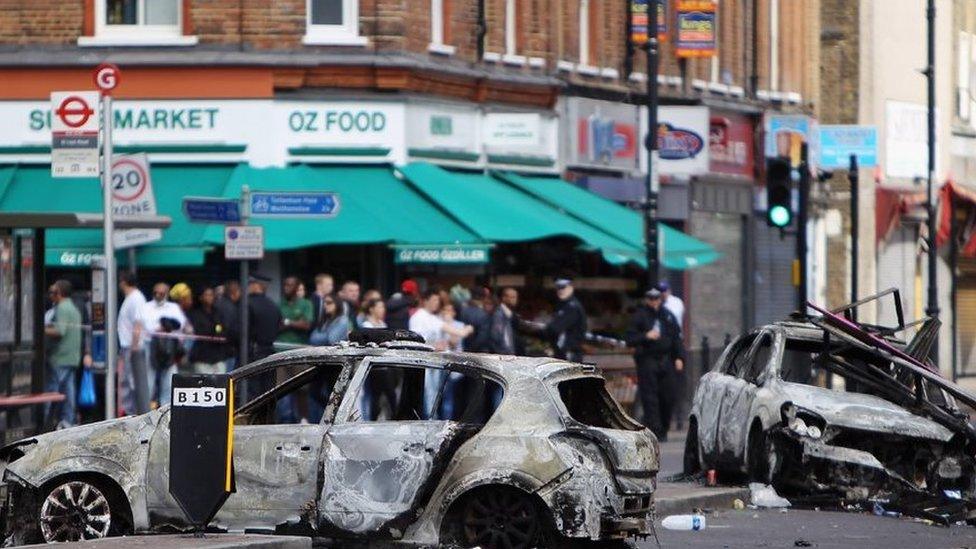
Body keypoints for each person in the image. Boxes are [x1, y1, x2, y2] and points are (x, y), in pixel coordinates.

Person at [626, 287, 685, 442]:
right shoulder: (640, 316)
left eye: (656, 298)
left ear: (660, 299)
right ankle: (655, 430)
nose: (653, 301)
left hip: (666, 360)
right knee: (650, 398)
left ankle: (664, 427)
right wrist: (645, 336)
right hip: (648, 359)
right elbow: (630, 338)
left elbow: (676, 338)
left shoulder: (668, 316)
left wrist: (679, 357)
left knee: (668, 396)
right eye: (650, 298)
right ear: (647, 299)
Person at [44, 280, 84, 429]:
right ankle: (67, 421)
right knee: (68, 392)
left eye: (52, 292)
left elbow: (60, 331)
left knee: (51, 391)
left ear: (59, 293)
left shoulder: (62, 308)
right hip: (72, 357)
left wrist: (38, 329)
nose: (50, 295)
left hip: (59, 357)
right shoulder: (73, 308)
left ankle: (44, 421)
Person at [141, 282, 187, 407]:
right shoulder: (146, 307)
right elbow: (147, 326)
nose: (158, 295)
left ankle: (166, 410)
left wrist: (168, 326)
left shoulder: (173, 308)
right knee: (149, 380)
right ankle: (147, 410)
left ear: (166, 293)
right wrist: (161, 327)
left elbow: (180, 324)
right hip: (151, 347)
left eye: (161, 293)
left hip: (169, 348)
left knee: (169, 380)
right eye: (155, 292)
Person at [244, 273, 283, 400]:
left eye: (250, 284)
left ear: (256, 286)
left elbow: (240, 331)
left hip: (252, 354)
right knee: (268, 393)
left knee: (252, 394)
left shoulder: (246, 304)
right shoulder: (273, 305)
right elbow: (279, 326)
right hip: (270, 353)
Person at [117, 271, 150, 416]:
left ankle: (134, 413)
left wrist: (134, 347)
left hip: (133, 348)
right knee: (127, 382)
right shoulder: (130, 298)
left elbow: (138, 323)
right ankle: (129, 412)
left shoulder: (136, 298)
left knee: (133, 382)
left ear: (123, 281)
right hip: (127, 347)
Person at [544, 278, 587, 362]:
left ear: (571, 288)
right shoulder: (563, 305)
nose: (560, 291)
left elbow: (555, 329)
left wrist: (546, 329)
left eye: (563, 288)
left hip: (569, 353)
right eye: (558, 288)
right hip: (564, 352)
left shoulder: (571, 307)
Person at [187, 287, 227, 375]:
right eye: (207, 295)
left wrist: (218, 331)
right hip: (202, 356)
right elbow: (199, 330)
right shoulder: (195, 314)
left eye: (211, 295)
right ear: (201, 297)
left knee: (221, 383)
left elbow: (223, 328)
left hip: (218, 355)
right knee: (204, 383)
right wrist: (213, 330)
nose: (210, 297)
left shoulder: (217, 312)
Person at [278, 276, 314, 347]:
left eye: (289, 285)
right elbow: (276, 325)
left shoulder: (306, 304)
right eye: (285, 285)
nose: (286, 288)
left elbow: (306, 325)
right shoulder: (279, 304)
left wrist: (287, 322)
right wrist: (296, 322)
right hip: (280, 345)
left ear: (297, 287)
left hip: (298, 346)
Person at [214, 279, 242, 371]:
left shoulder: (220, 304)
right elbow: (230, 328)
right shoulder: (229, 307)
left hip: (221, 348)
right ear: (234, 292)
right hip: (228, 349)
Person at [488, 287, 518, 355]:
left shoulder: (508, 314)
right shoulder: (499, 314)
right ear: (504, 298)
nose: (515, 300)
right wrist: (504, 353)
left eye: (515, 297)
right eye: (512, 297)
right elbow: (496, 336)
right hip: (502, 354)